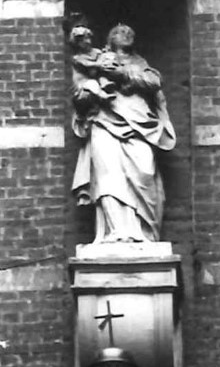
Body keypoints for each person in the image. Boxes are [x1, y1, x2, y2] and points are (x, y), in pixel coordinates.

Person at [70, 23, 176, 244]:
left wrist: (122, 74)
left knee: (144, 171)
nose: (126, 34)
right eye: (120, 32)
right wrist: (92, 92)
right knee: (108, 175)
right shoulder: (96, 61)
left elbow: (154, 82)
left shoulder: (140, 63)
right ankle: (116, 231)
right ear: (109, 39)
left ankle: (145, 233)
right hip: (104, 121)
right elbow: (79, 94)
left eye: (130, 32)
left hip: (139, 124)